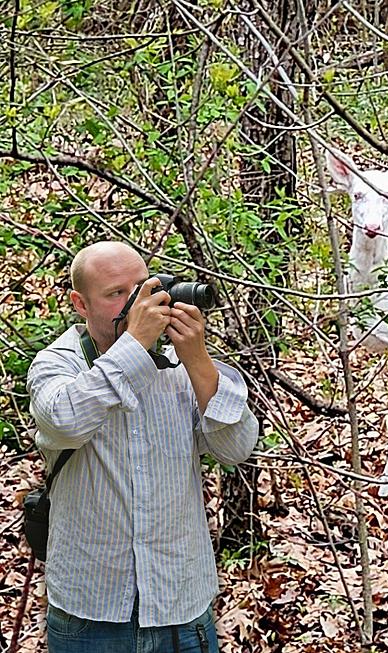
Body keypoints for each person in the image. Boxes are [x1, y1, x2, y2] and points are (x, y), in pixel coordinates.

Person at [27, 241, 259, 653]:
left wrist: (198, 359)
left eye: (141, 287)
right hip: (91, 613)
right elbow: (64, 421)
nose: (137, 303)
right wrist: (134, 346)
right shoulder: (56, 363)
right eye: (117, 294)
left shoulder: (178, 366)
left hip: (180, 605)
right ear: (80, 304)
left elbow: (237, 447)